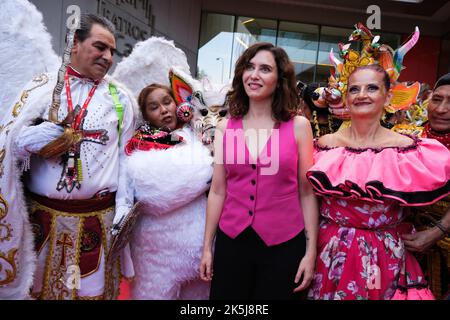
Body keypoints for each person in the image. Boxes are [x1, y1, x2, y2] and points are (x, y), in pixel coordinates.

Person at [0, 14, 135, 299]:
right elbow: (8, 146)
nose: (108, 57)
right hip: (41, 222)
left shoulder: (120, 97)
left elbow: (125, 158)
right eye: (100, 47)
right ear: (75, 43)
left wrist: (124, 203)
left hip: (96, 223)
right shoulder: (41, 88)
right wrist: (27, 142)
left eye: (112, 51)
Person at [306, 64, 450, 300]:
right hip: (328, 249)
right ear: (346, 98)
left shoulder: (410, 149)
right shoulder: (323, 145)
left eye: (372, 87)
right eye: (354, 89)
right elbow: (306, 199)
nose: (362, 94)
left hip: (383, 254)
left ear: (388, 97)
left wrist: (437, 231)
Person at [199, 42, 319, 300]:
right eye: (249, 67)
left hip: (285, 245)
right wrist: (207, 247)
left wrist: (310, 253)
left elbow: (307, 193)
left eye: (265, 69)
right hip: (233, 243)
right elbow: (218, 191)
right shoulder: (224, 128)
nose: (254, 75)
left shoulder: (299, 127)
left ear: (280, 80)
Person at [122, 84, 213, 299]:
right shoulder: (140, 144)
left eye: (167, 102)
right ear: (145, 115)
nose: (164, 110)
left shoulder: (196, 134)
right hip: (156, 253)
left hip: (198, 250)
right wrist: (207, 168)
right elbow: (151, 191)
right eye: (154, 107)